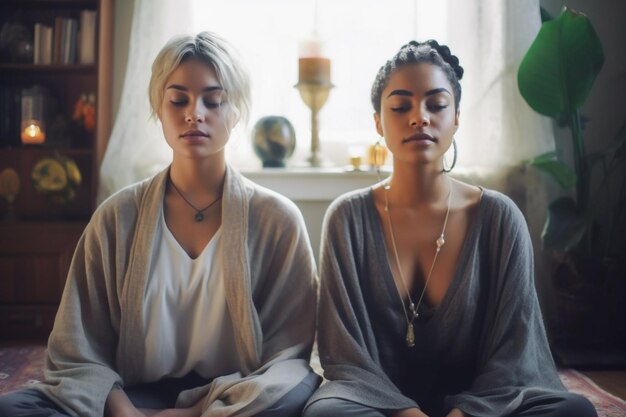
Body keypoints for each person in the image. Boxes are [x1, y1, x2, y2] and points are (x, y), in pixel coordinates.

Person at [0, 31, 319, 417]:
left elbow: (288, 357)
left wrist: (190, 413)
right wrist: (126, 413)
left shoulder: (277, 220)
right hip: (130, 394)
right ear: (159, 107)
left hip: (234, 399)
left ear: (235, 112)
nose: (194, 113)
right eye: (178, 99)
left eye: (213, 100)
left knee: (296, 393)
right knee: (16, 408)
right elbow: (76, 350)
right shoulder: (117, 217)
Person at [302, 40, 597, 417]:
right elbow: (344, 355)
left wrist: (466, 413)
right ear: (378, 121)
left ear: (456, 117)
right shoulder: (347, 218)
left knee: (573, 411)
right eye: (400, 106)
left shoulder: (498, 217)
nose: (419, 117)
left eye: (436, 105)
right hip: (377, 404)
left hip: (484, 402)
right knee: (326, 413)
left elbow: (516, 347)